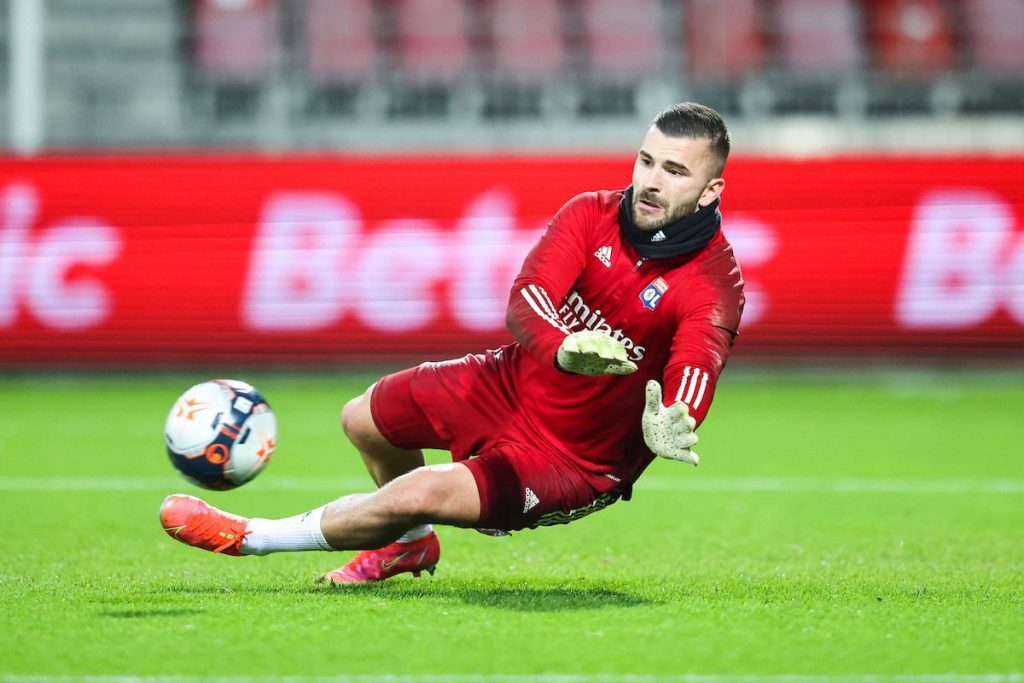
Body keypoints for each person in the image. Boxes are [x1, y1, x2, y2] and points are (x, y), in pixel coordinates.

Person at [159, 102, 745, 583]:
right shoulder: (590, 213)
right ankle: (410, 548)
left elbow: (698, 361)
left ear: (710, 189)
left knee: (419, 491)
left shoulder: (712, 283)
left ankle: (250, 539)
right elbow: (528, 297)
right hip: (509, 383)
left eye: (674, 170)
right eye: (645, 161)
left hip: (570, 459)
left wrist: (677, 415)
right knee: (362, 419)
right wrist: (564, 347)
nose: (649, 181)